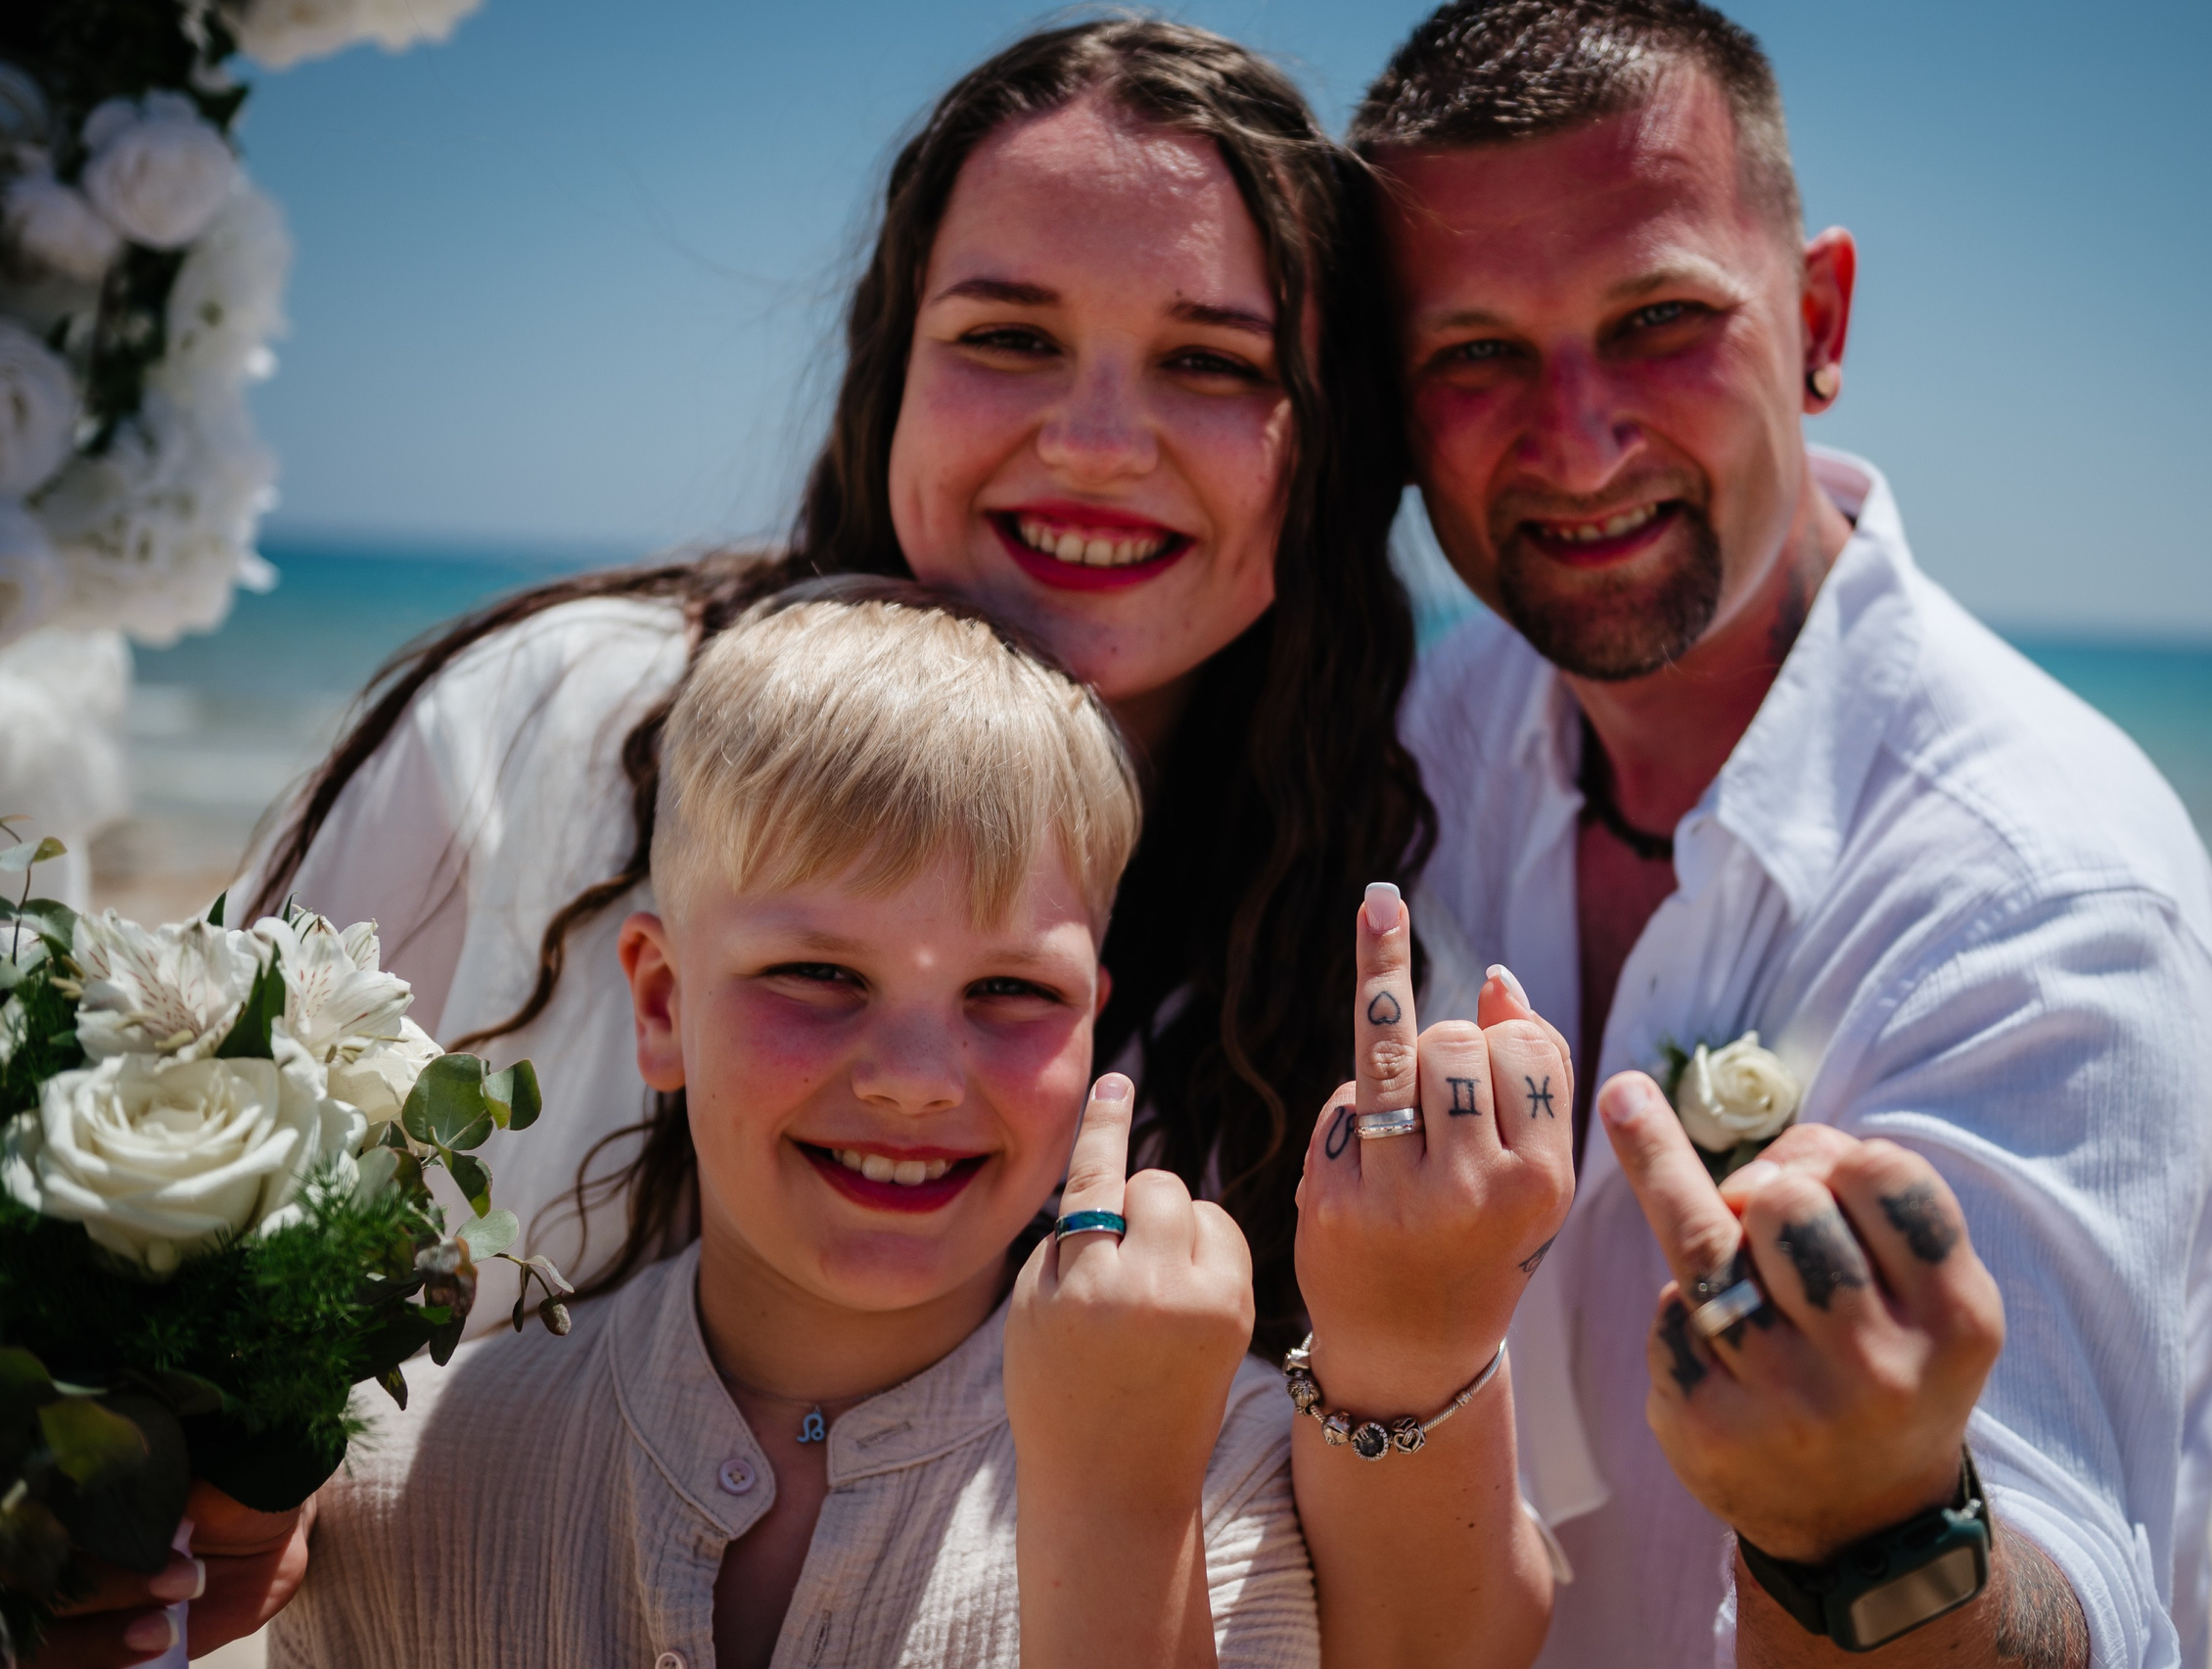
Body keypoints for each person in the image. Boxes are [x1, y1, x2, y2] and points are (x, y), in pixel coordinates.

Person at [236, 20, 1565, 1665]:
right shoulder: (550, 727)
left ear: (1320, 446)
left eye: (1212, 363)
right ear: (892, 370)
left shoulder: (1362, 930)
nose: (1093, 440)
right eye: (1009, 335)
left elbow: (1436, 1637)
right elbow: (198, 1209)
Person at [1354, 4, 2212, 1666]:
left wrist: (1881, 1523)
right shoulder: (1427, 745)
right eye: (1473, 353)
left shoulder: (2046, 889)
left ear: (1818, 316)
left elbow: (2069, 1597)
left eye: (1660, 319)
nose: (1579, 433)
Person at [253, 583, 1305, 1666]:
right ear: (662, 1004)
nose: (914, 1082)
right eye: (817, 973)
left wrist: (1121, 1504)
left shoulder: (1233, 1469)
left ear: (1092, 1018)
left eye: (1010, 991)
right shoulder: (396, 1473)